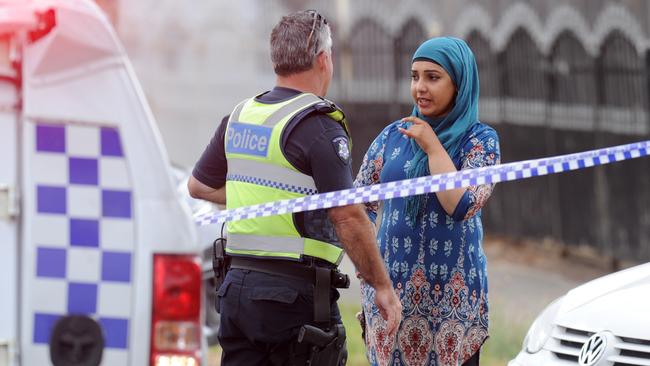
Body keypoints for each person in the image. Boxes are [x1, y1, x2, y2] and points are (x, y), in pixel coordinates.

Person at [188, 10, 401, 365]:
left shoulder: (241, 115)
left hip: (236, 289)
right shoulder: (318, 125)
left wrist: (267, 197)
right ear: (323, 59)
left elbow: (199, 186)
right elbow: (348, 216)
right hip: (293, 299)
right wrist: (382, 286)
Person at [354, 37, 500, 366]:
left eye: (433, 77)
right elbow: (358, 200)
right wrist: (368, 262)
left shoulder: (480, 141)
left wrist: (434, 148)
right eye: (414, 76)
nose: (420, 87)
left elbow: (461, 205)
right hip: (393, 299)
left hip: (452, 305)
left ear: (459, 83)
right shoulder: (394, 136)